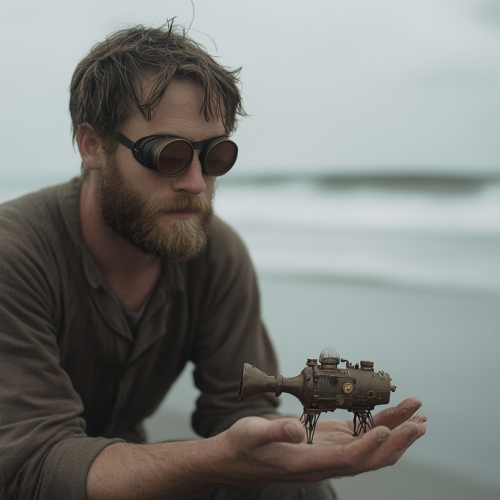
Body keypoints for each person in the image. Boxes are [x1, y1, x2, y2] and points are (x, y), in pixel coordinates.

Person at [0, 23, 426, 500]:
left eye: (216, 156)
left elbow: (239, 411)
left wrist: (278, 441)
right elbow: (31, 468)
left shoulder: (213, 251)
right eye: (169, 155)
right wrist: (221, 457)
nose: (197, 183)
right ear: (93, 146)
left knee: (288, 486)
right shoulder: (13, 255)